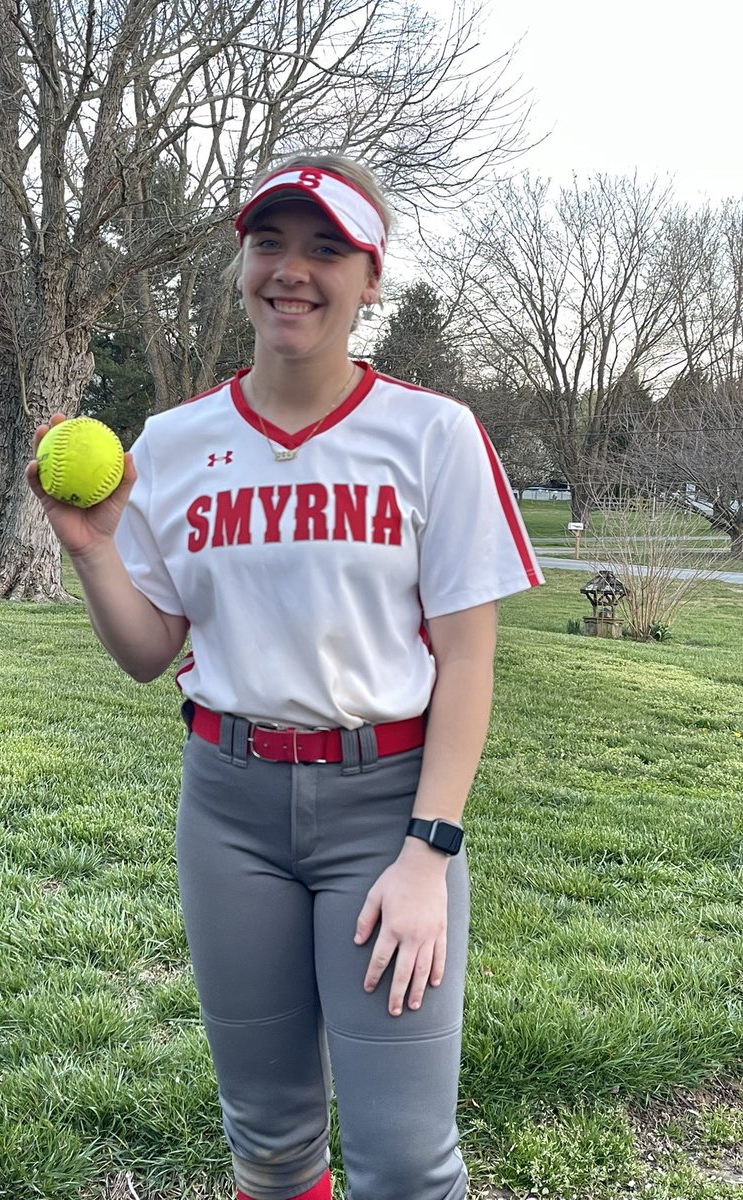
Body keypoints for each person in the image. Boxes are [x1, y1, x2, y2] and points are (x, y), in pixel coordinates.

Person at [27, 153, 543, 1200]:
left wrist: (428, 852)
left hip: (385, 810)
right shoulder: (175, 442)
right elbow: (148, 653)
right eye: (270, 243)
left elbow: (468, 657)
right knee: (268, 1142)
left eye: (326, 249)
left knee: (405, 1162)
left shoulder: (432, 434)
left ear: (371, 278)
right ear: (242, 266)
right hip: (230, 810)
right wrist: (92, 553)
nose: (292, 271)